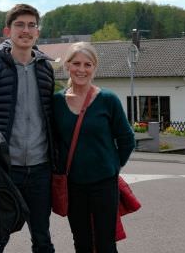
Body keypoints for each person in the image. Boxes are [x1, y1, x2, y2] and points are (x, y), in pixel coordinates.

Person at [0, 3, 56, 252]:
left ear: (37, 33)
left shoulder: (46, 69)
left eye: (31, 25)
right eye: (19, 25)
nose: (26, 30)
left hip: (40, 170)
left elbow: (50, 118)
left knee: (42, 238)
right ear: (7, 31)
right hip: (5, 170)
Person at [52, 42, 135, 253]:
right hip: (73, 185)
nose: (81, 69)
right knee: (82, 243)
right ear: (67, 66)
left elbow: (126, 139)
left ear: (94, 68)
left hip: (104, 185)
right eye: (76, 63)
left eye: (87, 64)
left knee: (106, 243)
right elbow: (54, 142)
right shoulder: (56, 103)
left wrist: (112, 166)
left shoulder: (107, 100)